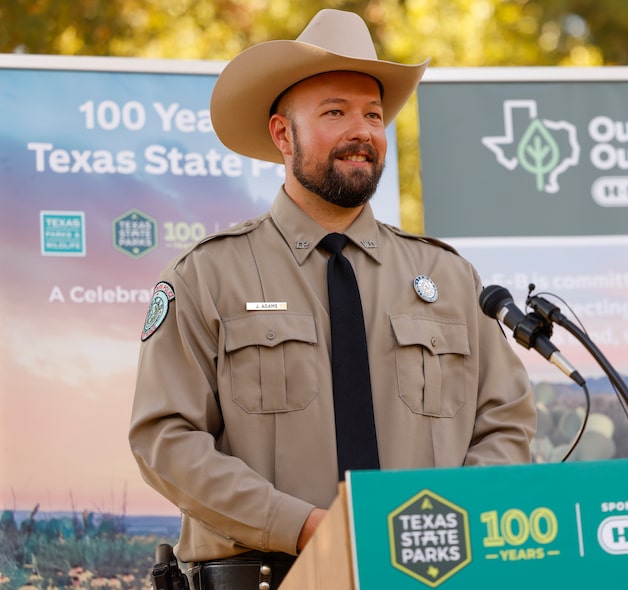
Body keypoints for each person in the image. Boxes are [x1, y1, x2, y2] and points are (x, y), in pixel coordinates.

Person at [129, 8, 536, 589]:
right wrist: (301, 527)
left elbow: (505, 425)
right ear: (281, 134)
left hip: (430, 575)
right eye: (335, 112)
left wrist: (447, 523)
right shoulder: (207, 277)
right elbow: (165, 441)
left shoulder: (448, 277)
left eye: (373, 114)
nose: (362, 131)